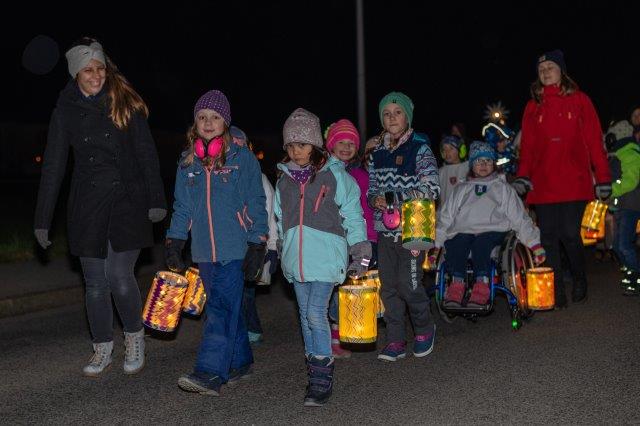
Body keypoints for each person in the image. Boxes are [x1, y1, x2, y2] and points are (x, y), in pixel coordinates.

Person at [34, 38, 166, 377]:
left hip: (127, 202)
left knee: (119, 276)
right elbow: (54, 166)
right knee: (95, 283)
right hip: (87, 205)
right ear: (76, 74)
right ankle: (102, 348)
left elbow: (146, 154)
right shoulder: (64, 111)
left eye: (100, 69)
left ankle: (134, 338)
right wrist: (42, 219)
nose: (96, 75)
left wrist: (156, 200)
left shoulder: (124, 102)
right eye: (88, 70)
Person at [165, 90, 268, 396]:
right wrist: (174, 240)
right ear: (194, 123)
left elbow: (256, 202)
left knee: (220, 309)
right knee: (225, 306)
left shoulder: (242, 159)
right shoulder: (187, 163)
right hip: (203, 251)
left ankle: (210, 372)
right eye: (202, 117)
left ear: (226, 123)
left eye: (215, 117)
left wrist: (258, 243)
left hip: (235, 249)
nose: (208, 122)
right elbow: (182, 207)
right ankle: (240, 361)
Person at [274, 108, 370, 407]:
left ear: (315, 145)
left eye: (302, 144)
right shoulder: (284, 180)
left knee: (316, 313)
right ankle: (315, 368)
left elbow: (353, 213)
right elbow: (280, 218)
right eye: (291, 145)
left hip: (327, 258)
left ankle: (322, 377)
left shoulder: (335, 176)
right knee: (305, 315)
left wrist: (360, 248)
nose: (296, 151)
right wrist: (281, 246)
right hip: (297, 260)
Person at [514, 49, 611, 308]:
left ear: (562, 71)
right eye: (541, 69)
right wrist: (523, 175)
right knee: (548, 237)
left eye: (550, 67)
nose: (545, 72)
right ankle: (555, 290)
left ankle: (579, 278)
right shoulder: (533, 106)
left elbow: (594, 141)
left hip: (574, 180)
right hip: (544, 183)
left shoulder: (580, 100)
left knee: (569, 233)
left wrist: (603, 177)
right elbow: (528, 148)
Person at [366, 91, 439, 362]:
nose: (392, 117)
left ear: (407, 117)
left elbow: (431, 188)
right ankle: (395, 339)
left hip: (413, 228)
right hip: (385, 230)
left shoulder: (420, 149)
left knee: (409, 284)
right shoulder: (376, 154)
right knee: (388, 286)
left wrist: (393, 198)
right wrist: (373, 199)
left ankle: (424, 328)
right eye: (386, 114)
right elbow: (372, 189)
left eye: (397, 112)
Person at [435, 142, 545, 306]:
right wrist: (436, 245)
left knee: (481, 243)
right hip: (464, 230)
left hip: (493, 230)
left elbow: (519, 218)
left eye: (488, 161)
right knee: (456, 242)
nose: (484, 164)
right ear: (472, 165)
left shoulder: (503, 188)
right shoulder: (461, 189)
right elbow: (446, 218)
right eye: (479, 161)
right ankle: (457, 284)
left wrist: (534, 244)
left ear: (494, 164)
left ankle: (482, 285)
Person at [324, 118, 377, 359]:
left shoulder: (360, 174)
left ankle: (349, 330)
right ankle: (335, 335)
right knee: (337, 285)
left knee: (351, 283)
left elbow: (365, 210)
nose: (346, 147)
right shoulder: (325, 172)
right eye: (341, 142)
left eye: (351, 143)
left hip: (359, 239)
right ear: (331, 145)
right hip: (334, 238)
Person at [229, 125, 279, 345]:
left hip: (253, 247)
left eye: (240, 145)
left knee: (246, 292)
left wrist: (273, 247)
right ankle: (234, 328)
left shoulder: (259, 178)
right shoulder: (220, 179)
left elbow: (271, 214)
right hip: (227, 247)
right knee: (231, 292)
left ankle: (251, 327)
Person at [604, 121, 640, 295]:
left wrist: (611, 189)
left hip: (631, 205)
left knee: (624, 244)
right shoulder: (617, 154)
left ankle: (636, 276)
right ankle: (631, 272)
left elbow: (630, 180)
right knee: (617, 245)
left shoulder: (630, 152)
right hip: (620, 206)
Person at [438, 134, 468, 206]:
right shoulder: (440, 172)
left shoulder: (468, 167)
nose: (447, 152)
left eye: (451, 148)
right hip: (444, 212)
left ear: (461, 151)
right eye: (444, 149)